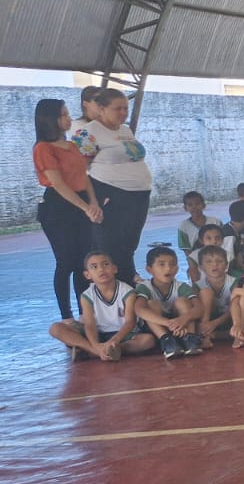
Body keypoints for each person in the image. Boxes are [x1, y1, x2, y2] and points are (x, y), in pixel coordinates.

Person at [33, 98, 103, 320]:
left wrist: (93, 203)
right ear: (50, 119)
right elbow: (59, 184)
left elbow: (84, 177)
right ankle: (67, 315)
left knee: (83, 260)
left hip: (81, 202)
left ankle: (85, 313)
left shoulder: (72, 146)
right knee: (66, 262)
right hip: (58, 207)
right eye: (63, 115)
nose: (68, 118)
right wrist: (85, 207)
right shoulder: (43, 148)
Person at [81, 87, 153, 286]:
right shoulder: (89, 132)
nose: (123, 113)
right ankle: (114, 289)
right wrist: (92, 202)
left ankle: (127, 284)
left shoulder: (125, 130)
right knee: (112, 246)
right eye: (117, 108)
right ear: (101, 109)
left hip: (138, 195)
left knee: (129, 245)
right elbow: (80, 171)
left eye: (125, 108)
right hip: (111, 193)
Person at [50, 250, 157, 361]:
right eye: (94, 267)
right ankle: (96, 351)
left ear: (114, 269)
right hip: (98, 333)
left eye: (105, 264)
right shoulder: (86, 296)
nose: (101, 269)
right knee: (55, 328)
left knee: (148, 340)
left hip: (123, 334)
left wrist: (114, 341)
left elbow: (130, 322)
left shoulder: (127, 292)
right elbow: (90, 324)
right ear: (87, 275)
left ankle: (109, 350)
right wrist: (95, 345)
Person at [135, 245, 204, 359]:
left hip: (181, 327)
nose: (168, 268)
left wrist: (183, 319)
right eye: (161, 264)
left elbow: (199, 308)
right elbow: (139, 309)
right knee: (151, 304)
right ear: (149, 269)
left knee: (183, 301)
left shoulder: (181, 286)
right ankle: (167, 340)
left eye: (172, 264)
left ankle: (189, 338)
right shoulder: (144, 287)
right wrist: (169, 323)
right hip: (160, 327)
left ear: (177, 268)